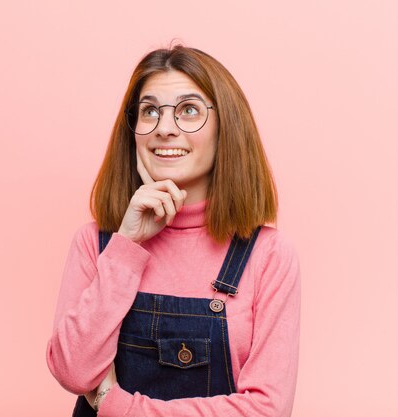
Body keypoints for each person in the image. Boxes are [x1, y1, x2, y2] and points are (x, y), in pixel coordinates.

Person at [45, 44, 301, 417]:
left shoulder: (269, 256)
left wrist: (115, 405)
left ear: (225, 127)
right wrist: (127, 246)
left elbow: (264, 410)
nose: (165, 129)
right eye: (150, 111)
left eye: (189, 110)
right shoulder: (96, 244)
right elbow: (72, 371)